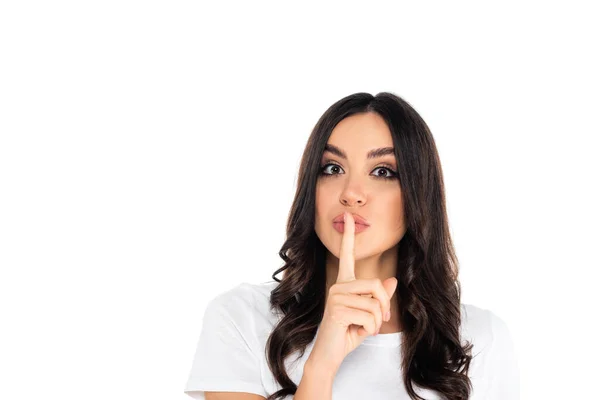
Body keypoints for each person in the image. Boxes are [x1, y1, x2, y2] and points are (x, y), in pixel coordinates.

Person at [184, 92, 520, 400]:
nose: (351, 192)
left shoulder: (479, 338)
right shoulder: (242, 318)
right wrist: (320, 367)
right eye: (332, 168)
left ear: (418, 193)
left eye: (383, 171)